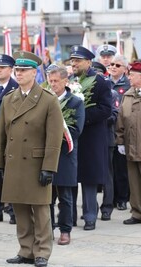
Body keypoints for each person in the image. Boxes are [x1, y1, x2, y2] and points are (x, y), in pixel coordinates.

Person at [0, 51, 63, 267]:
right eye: (17, 70)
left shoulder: (47, 100)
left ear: (34, 73)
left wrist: (49, 167)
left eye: (23, 70)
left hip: (36, 163)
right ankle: (25, 250)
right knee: (20, 209)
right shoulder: (9, 99)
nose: (19, 73)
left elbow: (54, 136)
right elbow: (0, 134)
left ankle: (42, 252)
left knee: (41, 211)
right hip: (14, 162)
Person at [70, 45, 112, 231]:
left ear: (88, 62)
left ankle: (89, 216)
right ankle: (69, 216)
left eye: (78, 60)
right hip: (71, 136)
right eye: (72, 60)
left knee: (89, 179)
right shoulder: (69, 81)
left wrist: (81, 117)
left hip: (91, 137)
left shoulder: (100, 82)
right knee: (70, 178)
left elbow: (105, 109)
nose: (74, 64)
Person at [48, 67, 85, 245]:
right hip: (46, 155)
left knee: (65, 197)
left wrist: (53, 133)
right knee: (46, 197)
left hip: (65, 154)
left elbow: (76, 130)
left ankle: (65, 230)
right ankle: (47, 229)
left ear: (65, 82)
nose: (53, 84)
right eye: (50, 80)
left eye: (56, 81)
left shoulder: (75, 102)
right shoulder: (45, 100)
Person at [0, 54, 18, 224]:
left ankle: (14, 210)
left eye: (2, 68)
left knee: (11, 175)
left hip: (11, 137)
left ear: (10, 69)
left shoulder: (16, 87)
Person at [92, 62, 120, 221]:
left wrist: (96, 117)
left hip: (107, 138)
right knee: (91, 175)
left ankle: (107, 207)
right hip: (91, 139)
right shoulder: (85, 92)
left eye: (98, 74)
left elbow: (114, 115)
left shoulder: (112, 93)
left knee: (107, 174)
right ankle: (91, 207)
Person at [116, 61, 141, 225]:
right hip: (132, 145)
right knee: (134, 181)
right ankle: (137, 212)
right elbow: (121, 120)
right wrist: (120, 141)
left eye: (132, 74)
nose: (129, 77)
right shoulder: (128, 94)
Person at [108, 55, 131, 211]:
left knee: (121, 167)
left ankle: (122, 198)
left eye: (117, 65)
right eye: (111, 64)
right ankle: (112, 198)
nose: (114, 67)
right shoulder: (104, 83)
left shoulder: (129, 85)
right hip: (108, 129)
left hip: (123, 130)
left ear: (125, 69)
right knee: (110, 167)